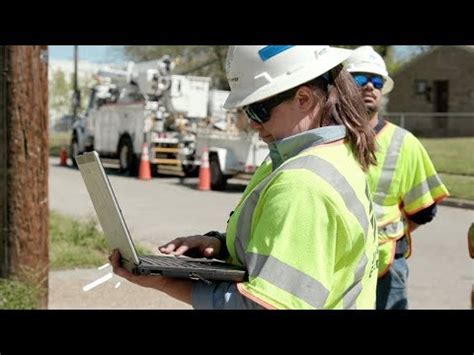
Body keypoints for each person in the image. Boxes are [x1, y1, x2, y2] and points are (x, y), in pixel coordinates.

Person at [110, 45, 379, 309]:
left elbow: (263, 305)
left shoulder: (302, 182)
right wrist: (221, 244)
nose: (252, 123)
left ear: (303, 99)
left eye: (258, 109)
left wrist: (163, 282)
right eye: (247, 111)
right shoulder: (333, 154)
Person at [344, 46, 450, 310]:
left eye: (377, 80)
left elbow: (423, 211)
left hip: (386, 266)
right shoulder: (326, 138)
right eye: (360, 79)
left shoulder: (405, 143)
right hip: (336, 264)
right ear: (343, 86)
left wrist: (387, 236)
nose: (370, 86)